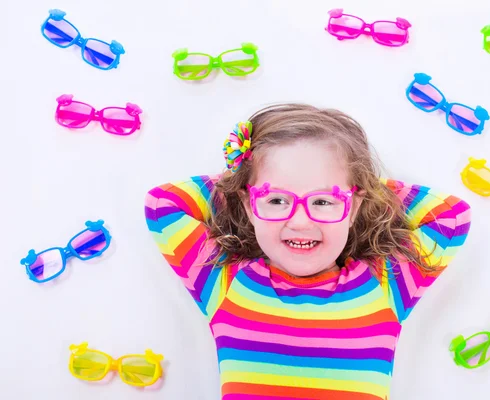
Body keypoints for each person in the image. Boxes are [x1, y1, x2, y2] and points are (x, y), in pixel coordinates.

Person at [145, 104, 471, 399]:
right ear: (248, 204)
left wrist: (358, 180)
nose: (300, 221)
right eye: (276, 200)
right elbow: (163, 205)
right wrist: (244, 174)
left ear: (354, 206)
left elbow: (452, 216)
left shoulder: (386, 285)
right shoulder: (225, 282)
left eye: (323, 201)